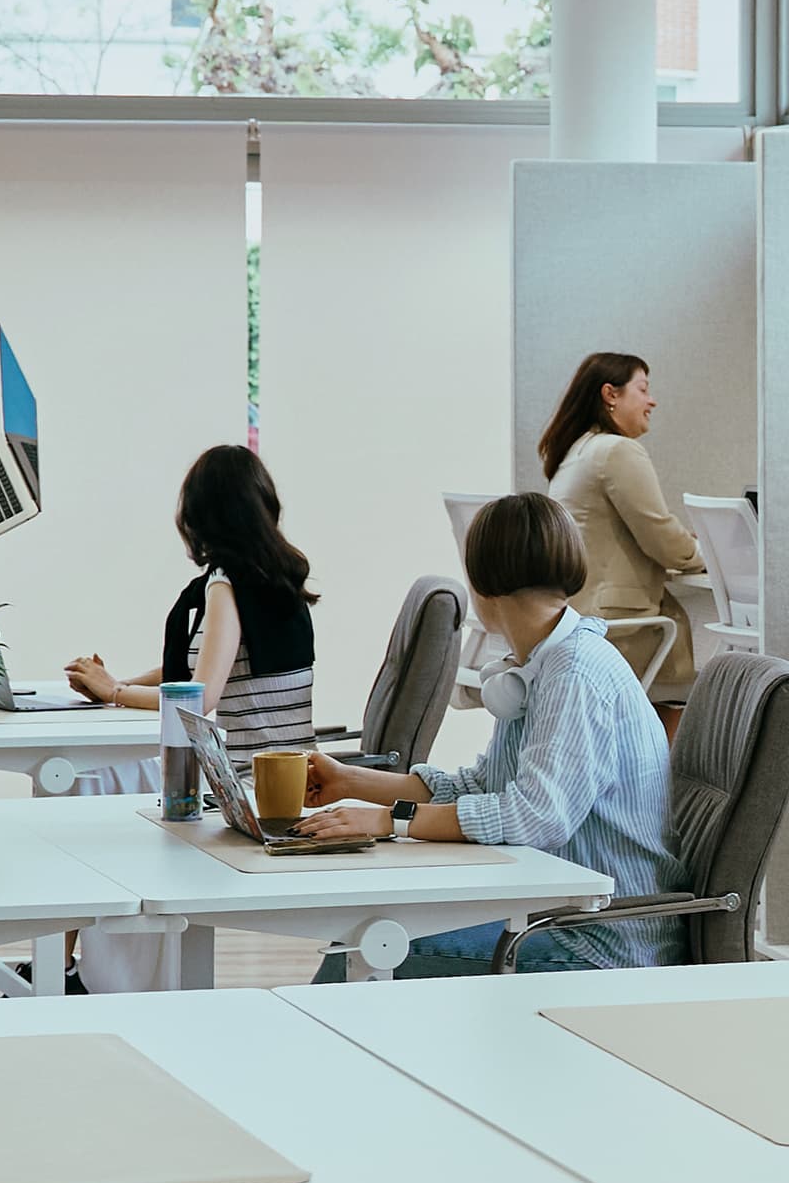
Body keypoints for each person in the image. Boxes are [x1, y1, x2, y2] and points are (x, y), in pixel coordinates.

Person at [301, 492, 681, 978]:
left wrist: (388, 822)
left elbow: (533, 817)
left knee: (364, 944)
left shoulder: (573, 675)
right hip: (552, 915)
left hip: (599, 940)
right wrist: (349, 782)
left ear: (481, 588)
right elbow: (483, 785)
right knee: (369, 931)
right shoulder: (533, 669)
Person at [63, 444, 319, 756]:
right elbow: (201, 667)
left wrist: (116, 691)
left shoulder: (227, 585)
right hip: (292, 779)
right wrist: (115, 685)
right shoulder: (276, 575)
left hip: (249, 779)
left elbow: (199, 697)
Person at [538, 351, 706, 724]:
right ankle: (661, 781)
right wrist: (706, 552)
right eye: (643, 389)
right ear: (610, 395)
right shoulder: (617, 451)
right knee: (694, 694)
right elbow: (660, 536)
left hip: (581, 619)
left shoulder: (577, 451)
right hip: (620, 630)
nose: (652, 401)